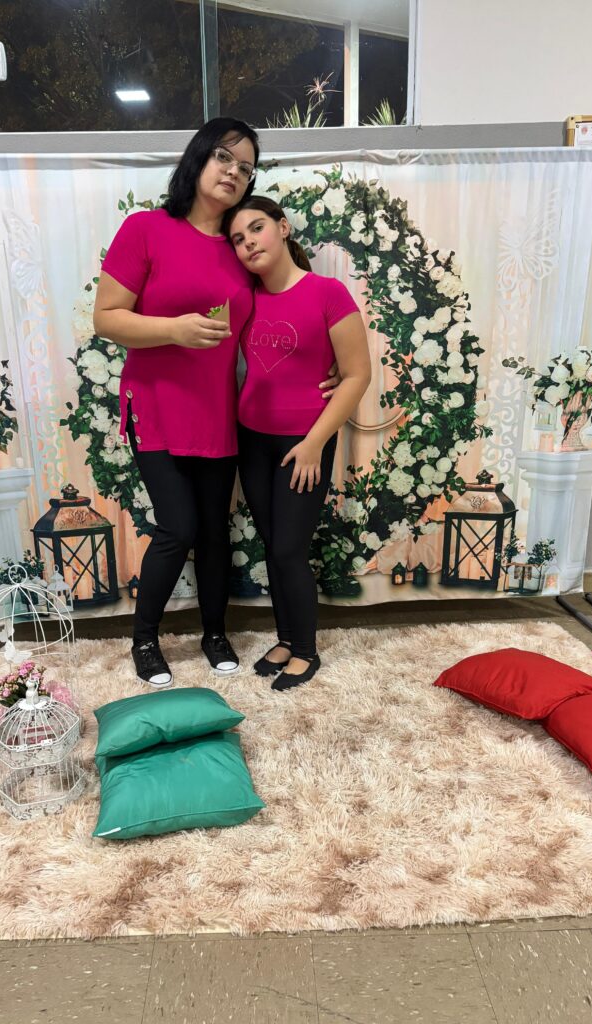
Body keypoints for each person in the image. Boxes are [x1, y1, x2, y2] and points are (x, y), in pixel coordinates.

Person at [93, 120, 339, 687]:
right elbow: (106, 318)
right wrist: (173, 330)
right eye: (224, 157)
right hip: (155, 405)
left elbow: (284, 312)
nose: (234, 171)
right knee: (177, 527)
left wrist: (327, 369)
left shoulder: (240, 248)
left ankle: (214, 633)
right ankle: (145, 639)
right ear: (198, 158)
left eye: (246, 167)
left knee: (213, 532)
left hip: (220, 412)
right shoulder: (146, 228)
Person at [224, 197, 371, 690]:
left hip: (303, 443)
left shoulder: (328, 293)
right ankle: (286, 638)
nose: (249, 243)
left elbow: (357, 375)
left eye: (257, 228)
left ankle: (306, 651)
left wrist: (313, 443)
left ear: (283, 228)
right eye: (238, 239)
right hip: (252, 439)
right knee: (272, 544)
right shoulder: (245, 300)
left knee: (290, 548)